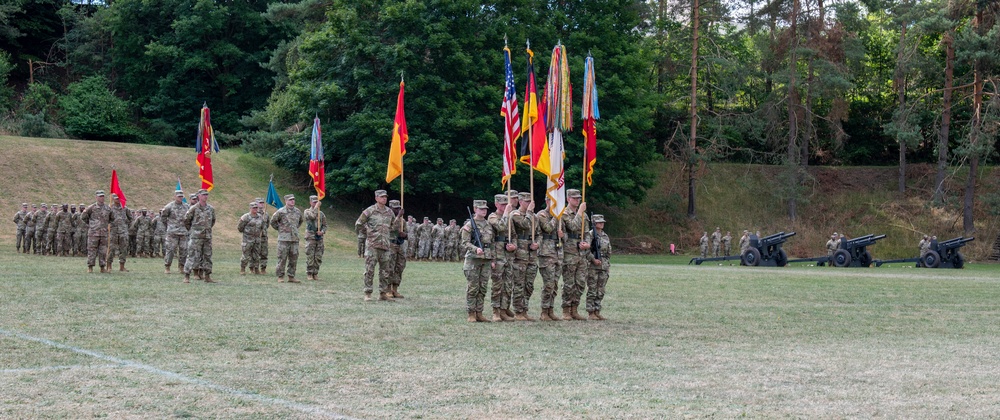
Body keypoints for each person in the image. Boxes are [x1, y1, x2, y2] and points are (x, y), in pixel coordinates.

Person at [355, 190, 398, 300]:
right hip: (372, 245)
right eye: (382, 197)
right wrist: (367, 233)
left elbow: (394, 226)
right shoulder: (370, 211)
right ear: (376, 198)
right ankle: (368, 293)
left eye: (385, 197)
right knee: (370, 270)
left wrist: (389, 233)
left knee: (385, 271)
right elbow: (358, 224)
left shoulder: (390, 212)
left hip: (385, 246)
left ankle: (383, 293)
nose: (384, 198)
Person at [462, 199, 498, 323]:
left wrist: (493, 259)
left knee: (483, 288)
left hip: (486, 259)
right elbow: (464, 242)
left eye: (485, 209)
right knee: (473, 288)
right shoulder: (469, 225)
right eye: (481, 209)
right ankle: (471, 313)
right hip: (473, 260)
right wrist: (475, 248)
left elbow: (492, 243)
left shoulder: (489, 225)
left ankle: (479, 312)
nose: (484, 211)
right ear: (475, 209)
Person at [560, 188, 590, 321]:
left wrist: (587, 243)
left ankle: (574, 308)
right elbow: (572, 226)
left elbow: (588, 233)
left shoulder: (584, 215)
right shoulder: (564, 213)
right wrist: (579, 212)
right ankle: (566, 309)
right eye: (574, 198)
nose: (577, 200)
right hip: (569, 252)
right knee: (569, 283)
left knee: (580, 282)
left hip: (581, 253)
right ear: (568, 199)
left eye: (579, 198)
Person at [488, 193, 517, 322]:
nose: (505, 206)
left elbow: (514, 235)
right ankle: (496, 311)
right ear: (496, 204)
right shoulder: (493, 217)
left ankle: (504, 309)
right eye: (502, 204)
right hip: (497, 254)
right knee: (497, 284)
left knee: (508, 284)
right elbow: (500, 227)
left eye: (506, 204)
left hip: (508, 255)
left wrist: (514, 246)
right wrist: (506, 213)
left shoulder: (509, 218)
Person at [511, 191, 539, 321]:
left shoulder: (534, 217)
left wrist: (537, 243)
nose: (530, 204)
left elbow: (539, 234)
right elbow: (524, 224)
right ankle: (518, 311)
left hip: (532, 255)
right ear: (520, 202)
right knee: (519, 284)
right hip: (519, 255)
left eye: (530, 201)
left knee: (529, 284)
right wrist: (529, 213)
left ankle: (525, 309)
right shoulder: (515, 214)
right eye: (527, 201)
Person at [536, 197, 563, 321]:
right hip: (546, 254)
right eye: (553, 202)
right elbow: (548, 228)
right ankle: (544, 311)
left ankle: (550, 309)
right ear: (547, 201)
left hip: (558, 253)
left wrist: (563, 235)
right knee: (548, 284)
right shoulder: (541, 214)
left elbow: (565, 235)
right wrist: (555, 217)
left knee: (555, 284)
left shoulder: (560, 216)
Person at [182, 189, 216, 283]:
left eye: (206, 195)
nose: (206, 196)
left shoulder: (211, 209)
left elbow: (213, 221)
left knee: (207, 256)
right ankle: (187, 275)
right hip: (196, 236)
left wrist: (207, 229)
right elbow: (186, 220)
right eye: (203, 195)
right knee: (192, 255)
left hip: (207, 236)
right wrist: (194, 230)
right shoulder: (193, 208)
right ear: (199, 196)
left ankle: (207, 276)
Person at [584, 214, 612, 320]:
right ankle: (590, 312)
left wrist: (607, 264)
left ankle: (597, 310)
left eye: (603, 222)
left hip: (604, 265)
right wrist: (593, 259)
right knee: (592, 289)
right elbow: (586, 250)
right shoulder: (590, 235)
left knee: (601, 290)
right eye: (599, 222)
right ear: (594, 224)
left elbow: (609, 251)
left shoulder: (605, 235)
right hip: (592, 266)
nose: (602, 224)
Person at [271, 194, 303, 283]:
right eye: (290, 200)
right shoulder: (281, 211)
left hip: (294, 239)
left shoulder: (297, 211)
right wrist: (281, 229)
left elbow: (300, 221)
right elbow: (273, 222)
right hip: (284, 239)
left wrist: (294, 230)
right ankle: (280, 276)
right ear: (286, 201)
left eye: (293, 199)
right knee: (282, 258)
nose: (292, 201)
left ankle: (291, 276)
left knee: (294, 258)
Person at [81, 191, 114, 273]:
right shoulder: (91, 208)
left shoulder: (108, 208)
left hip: (104, 233)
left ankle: (102, 267)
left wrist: (105, 225)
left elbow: (112, 218)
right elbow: (83, 217)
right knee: (92, 250)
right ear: (96, 197)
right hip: (93, 233)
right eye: (100, 196)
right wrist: (92, 224)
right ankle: (90, 267)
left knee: (103, 251)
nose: (101, 198)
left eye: (103, 196)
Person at [161, 190, 190, 274]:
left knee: (184, 250)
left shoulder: (186, 207)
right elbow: (163, 217)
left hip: (183, 232)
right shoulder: (169, 206)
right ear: (175, 196)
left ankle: (181, 267)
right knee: (171, 250)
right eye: (179, 196)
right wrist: (169, 226)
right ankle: (167, 266)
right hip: (172, 233)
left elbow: (189, 218)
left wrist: (187, 228)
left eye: (181, 196)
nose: (180, 198)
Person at [303, 195, 327, 281]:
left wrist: (322, 232)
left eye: (317, 202)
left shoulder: (321, 214)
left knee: (318, 256)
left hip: (319, 238)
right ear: (310, 202)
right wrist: (316, 208)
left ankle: (315, 273)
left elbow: (325, 225)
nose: (316, 203)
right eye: (314, 202)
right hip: (310, 237)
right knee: (310, 256)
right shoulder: (307, 211)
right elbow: (312, 216)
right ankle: (309, 273)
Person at [237, 202, 265, 275]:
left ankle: (256, 269)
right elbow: (240, 227)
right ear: (250, 208)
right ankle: (242, 269)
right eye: (254, 208)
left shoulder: (260, 217)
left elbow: (262, 227)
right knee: (245, 255)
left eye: (256, 208)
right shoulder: (246, 217)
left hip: (257, 240)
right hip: (247, 240)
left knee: (256, 256)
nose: (255, 209)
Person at [108, 194, 133, 272]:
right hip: (113, 232)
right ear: (113, 199)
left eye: (119, 199)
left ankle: (122, 266)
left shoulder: (125, 208)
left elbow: (131, 219)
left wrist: (126, 227)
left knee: (123, 249)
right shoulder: (109, 208)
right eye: (116, 199)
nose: (118, 200)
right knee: (111, 249)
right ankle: (109, 266)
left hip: (123, 232)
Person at [387, 199, 407, 298]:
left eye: (399, 208)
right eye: (396, 209)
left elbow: (406, 233)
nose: (398, 210)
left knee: (399, 267)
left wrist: (405, 235)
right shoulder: (388, 218)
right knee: (390, 267)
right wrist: (398, 216)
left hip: (400, 245)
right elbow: (390, 229)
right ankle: (388, 289)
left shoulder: (402, 221)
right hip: (391, 245)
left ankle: (395, 289)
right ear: (390, 208)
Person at [256, 198, 271, 274]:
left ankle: (263, 268)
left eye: (262, 203)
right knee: (255, 253)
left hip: (264, 237)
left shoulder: (266, 214)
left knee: (264, 253)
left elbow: (267, 224)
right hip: (256, 237)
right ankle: (255, 268)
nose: (262, 204)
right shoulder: (254, 213)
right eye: (260, 203)